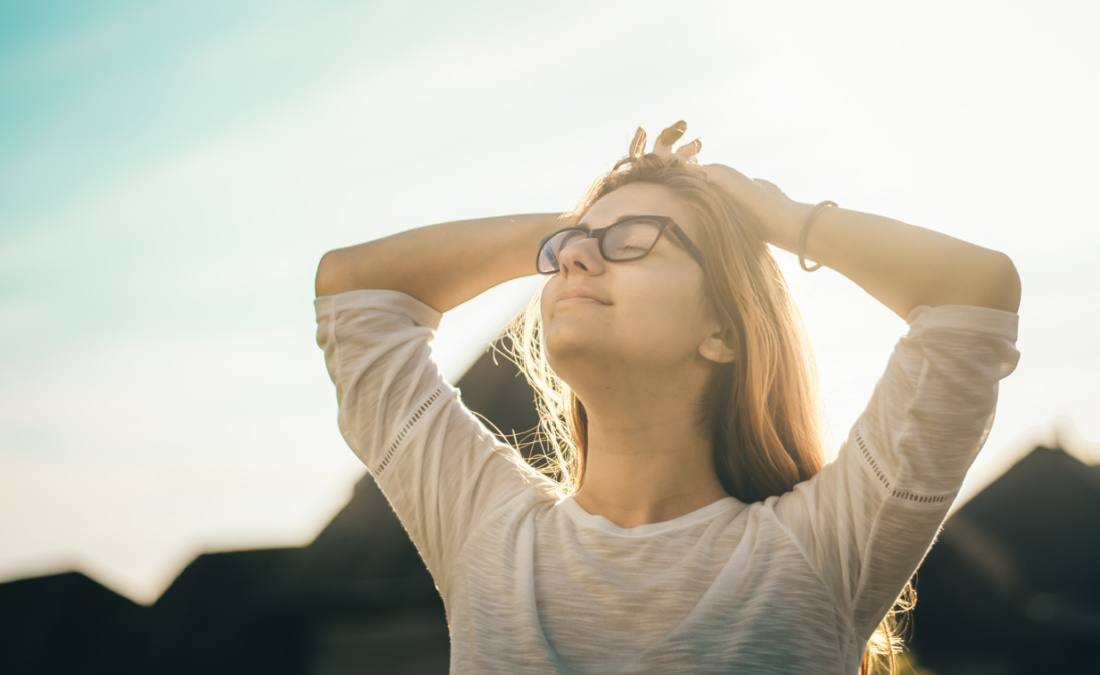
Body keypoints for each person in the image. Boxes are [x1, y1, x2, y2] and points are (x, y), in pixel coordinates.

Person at [314, 121, 1021, 674]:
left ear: (723, 329)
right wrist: (577, 221)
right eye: (567, 250)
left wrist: (776, 216)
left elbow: (973, 293)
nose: (576, 258)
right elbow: (354, 290)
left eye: (633, 242)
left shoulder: (820, 548)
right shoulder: (488, 532)